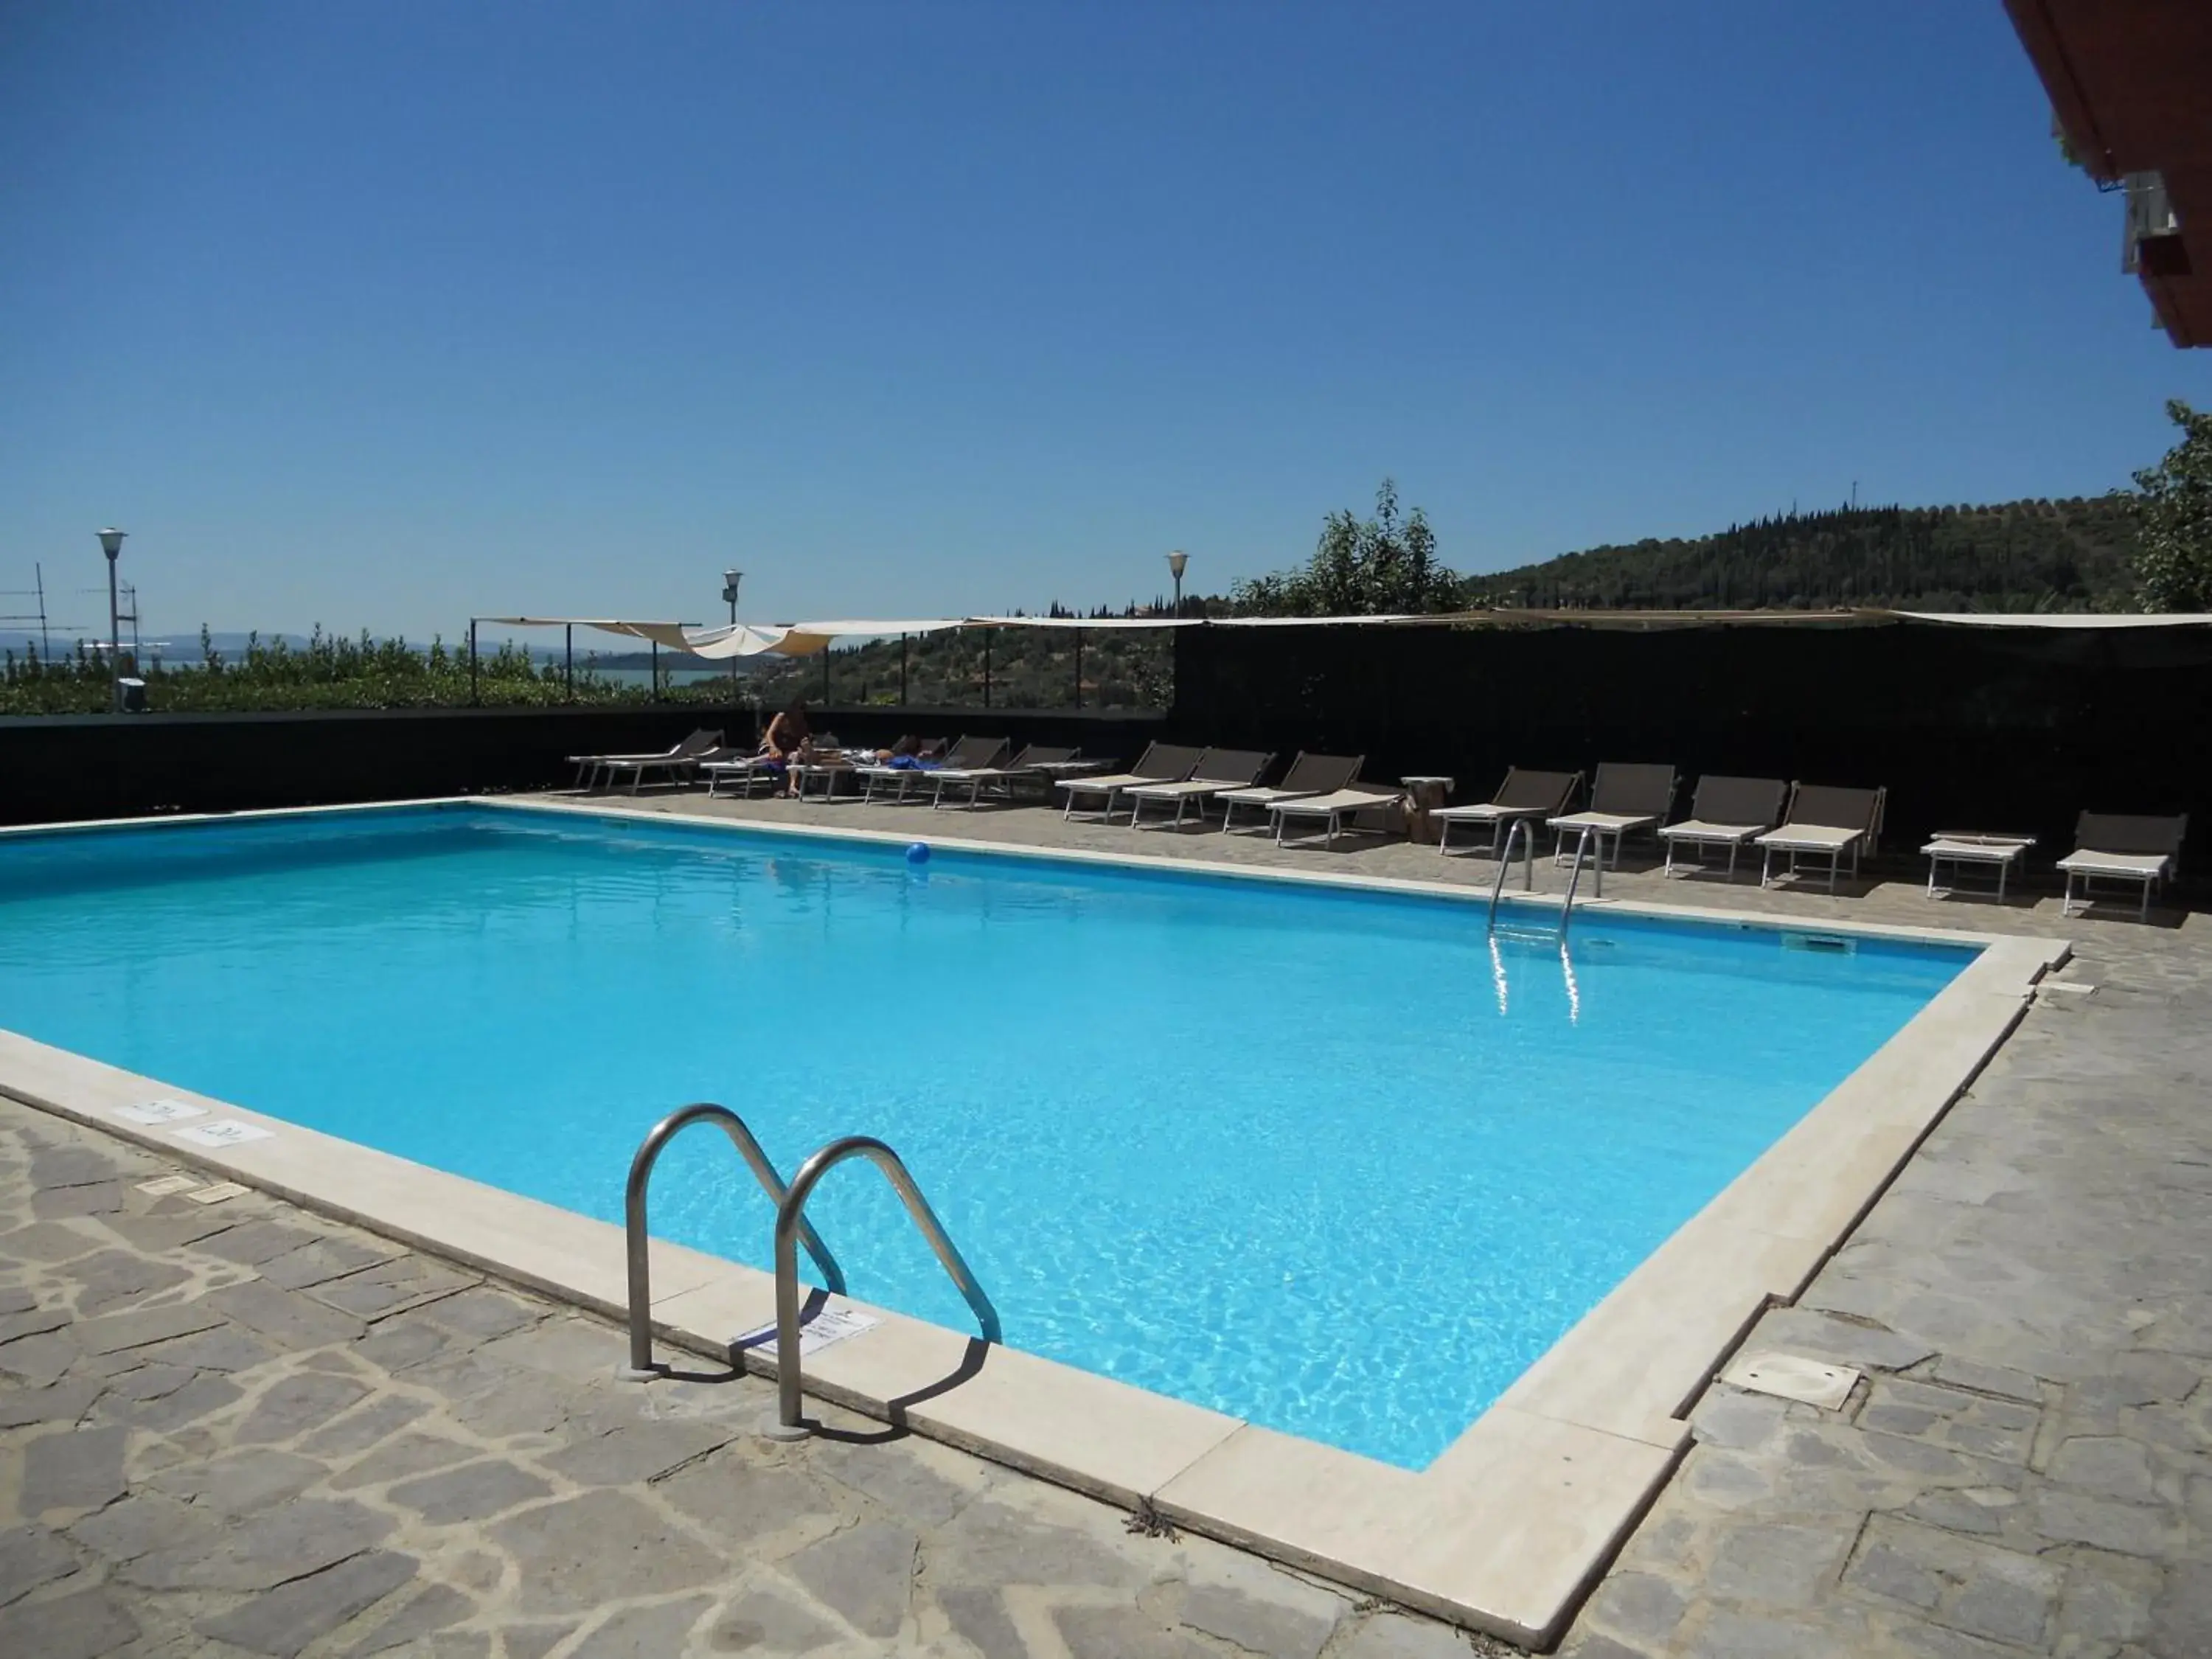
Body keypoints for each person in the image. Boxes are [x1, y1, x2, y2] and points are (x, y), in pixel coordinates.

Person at [758, 699, 810, 794]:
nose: (798, 711)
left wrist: (802, 749)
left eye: (802, 709)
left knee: (796, 756)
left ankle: (792, 786)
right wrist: (773, 747)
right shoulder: (782, 717)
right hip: (770, 745)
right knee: (778, 755)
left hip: (787, 751)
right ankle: (753, 759)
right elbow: (769, 734)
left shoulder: (802, 724)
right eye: (797, 708)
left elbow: (802, 741)